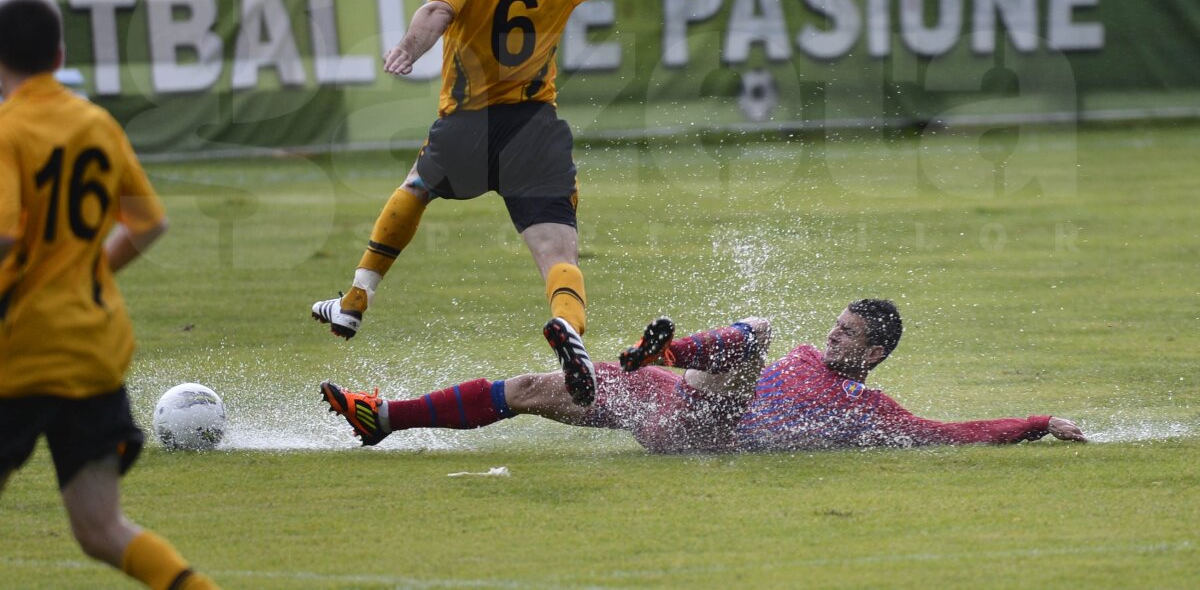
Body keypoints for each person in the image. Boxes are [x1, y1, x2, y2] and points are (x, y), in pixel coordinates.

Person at [310, 0, 695, 406]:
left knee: (416, 188)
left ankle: (355, 300)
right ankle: (569, 329)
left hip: (468, 124)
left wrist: (408, 48)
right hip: (535, 127)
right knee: (558, 254)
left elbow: (437, 12)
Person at [0, 0, 219, 590]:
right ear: (59, 55)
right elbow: (149, 223)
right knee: (101, 529)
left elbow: (4, 235)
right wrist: (83, 274)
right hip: (93, 350)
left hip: (19, 353)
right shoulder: (96, 123)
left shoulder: (8, 130)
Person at [318, 299, 1087, 452]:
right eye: (836, 324)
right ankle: (384, 418)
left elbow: (947, 433)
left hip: (709, 429)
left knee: (756, 339)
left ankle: (663, 351)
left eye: (848, 333)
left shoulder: (868, 409)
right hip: (671, 401)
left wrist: (1034, 422)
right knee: (528, 389)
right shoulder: (810, 360)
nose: (832, 335)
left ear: (875, 353)